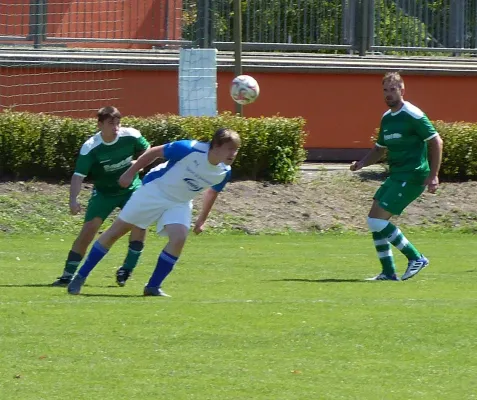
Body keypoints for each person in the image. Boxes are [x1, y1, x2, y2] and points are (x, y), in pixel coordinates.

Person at [67, 127, 241, 296]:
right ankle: (80, 277)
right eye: (230, 149)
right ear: (216, 146)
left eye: (236, 150)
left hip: (179, 201)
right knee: (115, 232)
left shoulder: (224, 171)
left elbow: (212, 192)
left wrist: (201, 220)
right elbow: (154, 152)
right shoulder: (189, 149)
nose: (233, 154)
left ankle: (153, 286)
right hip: (154, 191)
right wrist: (129, 173)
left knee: (179, 237)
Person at [350, 72, 443, 281]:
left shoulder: (412, 114)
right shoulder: (387, 118)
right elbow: (379, 148)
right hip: (396, 175)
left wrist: (434, 175)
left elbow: (436, 141)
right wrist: (362, 163)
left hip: (413, 175)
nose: (389, 94)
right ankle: (388, 272)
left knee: (376, 221)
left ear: (402, 90)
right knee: (373, 220)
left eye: (393, 89)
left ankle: (416, 257)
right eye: (385, 90)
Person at [52, 106, 150, 287]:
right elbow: (78, 176)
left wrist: (138, 164)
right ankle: (67, 275)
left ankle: (126, 269)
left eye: (118, 123)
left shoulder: (131, 135)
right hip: (104, 193)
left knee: (140, 223)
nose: (116, 127)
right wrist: (73, 200)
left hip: (131, 189)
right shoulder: (90, 147)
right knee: (89, 230)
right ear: (99, 125)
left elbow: (149, 150)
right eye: (111, 123)